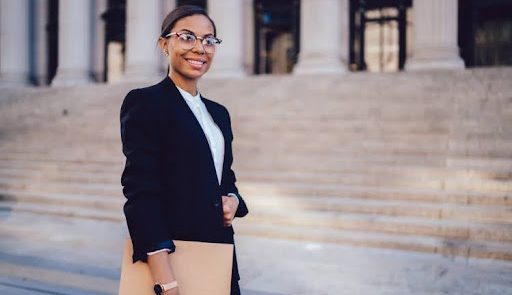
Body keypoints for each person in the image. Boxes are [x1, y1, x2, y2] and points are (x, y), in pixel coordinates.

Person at [120, 5, 248, 295]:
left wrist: (234, 199)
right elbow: (141, 191)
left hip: (218, 257)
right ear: (165, 44)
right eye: (187, 37)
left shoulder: (219, 113)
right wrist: (165, 280)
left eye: (209, 40)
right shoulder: (145, 103)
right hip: (173, 260)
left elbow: (224, 176)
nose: (200, 48)